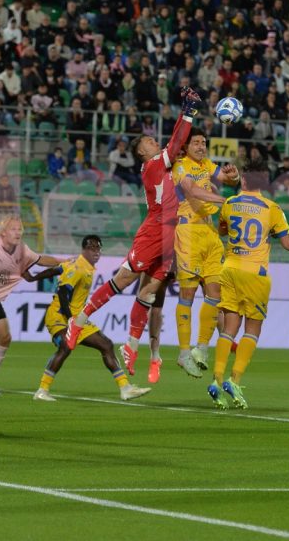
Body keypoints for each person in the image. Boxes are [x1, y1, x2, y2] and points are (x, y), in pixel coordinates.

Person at [63, 88, 203, 378]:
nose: (155, 142)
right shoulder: (152, 165)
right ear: (142, 152)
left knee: (149, 290)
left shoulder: (161, 162)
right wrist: (188, 111)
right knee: (122, 280)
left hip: (170, 235)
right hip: (154, 231)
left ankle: (131, 345)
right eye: (150, 141)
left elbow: (177, 142)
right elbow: (176, 142)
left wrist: (185, 113)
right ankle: (78, 321)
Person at [207, 158, 289, 409]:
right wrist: (274, 230)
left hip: (230, 268)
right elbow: (288, 244)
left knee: (228, 328)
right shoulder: (272, 208)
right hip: (255, 272)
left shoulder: (230, 203)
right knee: (252, 329)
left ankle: (216, 379)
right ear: (263, 183)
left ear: (243, 180)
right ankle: (234, 380)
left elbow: (222, 231)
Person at [31, 236, 150, 401]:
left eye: (98, 248)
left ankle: (125, 388)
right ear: (84, 250)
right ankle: (42, 390)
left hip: (76, 316)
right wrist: (70, 318)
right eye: (92, 248)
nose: (96, 251)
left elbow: (57, 270)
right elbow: (63, 292)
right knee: (65, 347)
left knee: (106, 345)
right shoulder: (79, 267)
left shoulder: (81, 265)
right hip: (59, 315)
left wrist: (32, 278)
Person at [0, 217, 63, 396]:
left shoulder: (23, 249)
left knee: (4, 338)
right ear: (3, 233)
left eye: (20, 229)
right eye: (13, 229)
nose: (18, 232)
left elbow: (40, 259)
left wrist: (66, 261)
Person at [171, 129, 240, 380]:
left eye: (204, 143)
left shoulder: (206, 164)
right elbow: (192, 190)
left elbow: (227, 178)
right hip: (189, 232)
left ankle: (201, 347)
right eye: (196, 143)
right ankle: (183, 352)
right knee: (188, 294)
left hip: (210, 233)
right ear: (186, 146)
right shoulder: (180, 165)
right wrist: (224, 200)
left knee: (215, 293)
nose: (201, 146)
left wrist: (234, 175)